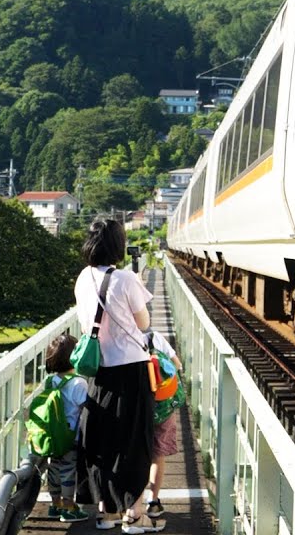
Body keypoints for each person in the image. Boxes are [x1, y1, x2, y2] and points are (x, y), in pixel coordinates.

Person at [75, 219, 160, 534]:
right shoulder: (125, 279)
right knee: (134, 443)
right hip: (131, 373)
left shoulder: (83, 278)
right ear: (118, 245)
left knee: (102, 441)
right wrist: (136, 283)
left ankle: (105, 512)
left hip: (99, 372)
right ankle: (135, 515)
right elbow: (143, 322)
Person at [42, 334, 90, 523]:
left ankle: (55, 505)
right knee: (69, 470)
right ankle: (69, 507)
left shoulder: (50, 381)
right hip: (71, 436)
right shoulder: (78, 383)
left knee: (53, 468)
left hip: (52, 436)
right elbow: (86, 408)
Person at [145, 329, 183, 520]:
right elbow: (177, 365)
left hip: (130, 405)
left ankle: (126, 504)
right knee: (157, 453)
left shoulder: (113, 335)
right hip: (161, 406)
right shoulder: (153, 337)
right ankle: (153, 501)